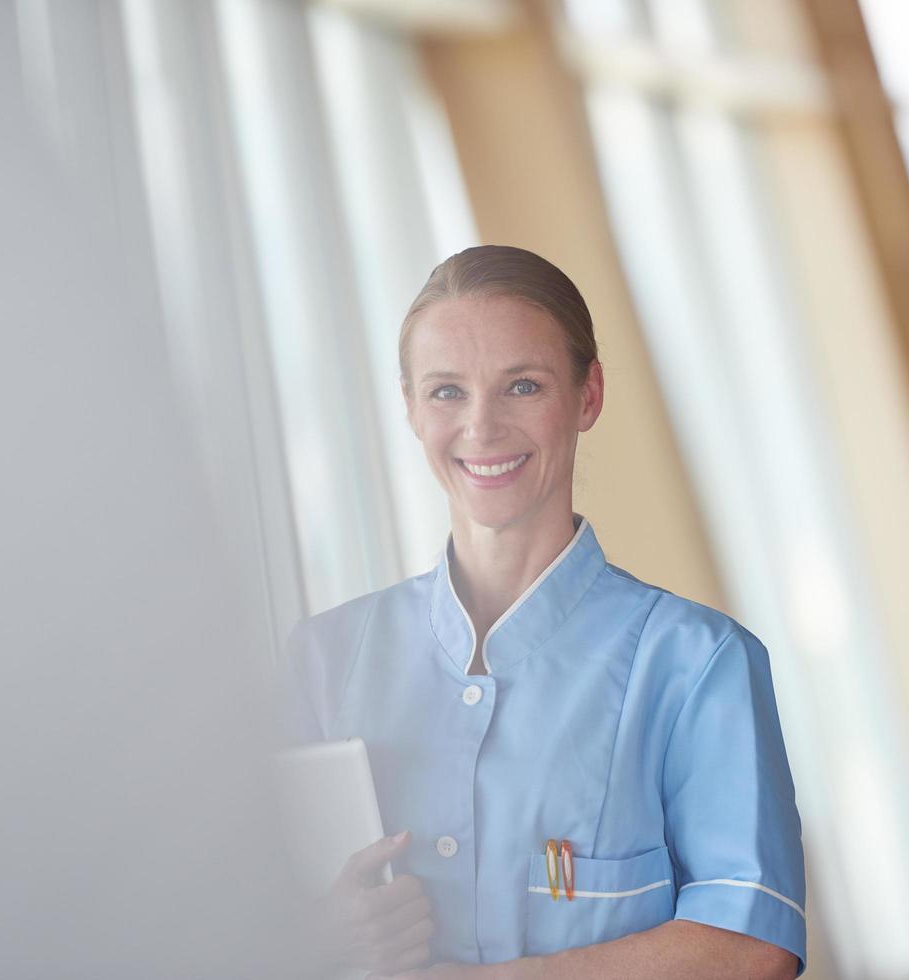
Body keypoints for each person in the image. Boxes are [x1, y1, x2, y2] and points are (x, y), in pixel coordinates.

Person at [277, 245, 806, 979]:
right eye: (445, 392)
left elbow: (750, 947)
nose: (481, 427)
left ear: (587, 396)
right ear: (407, 406)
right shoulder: (322, 661)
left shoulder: (696, 662)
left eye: (521, 386)